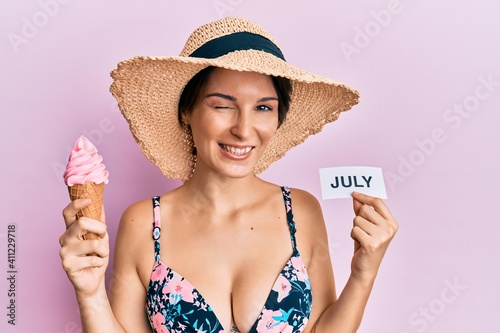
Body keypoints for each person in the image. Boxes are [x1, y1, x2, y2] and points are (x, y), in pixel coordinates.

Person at [59, 17, 398, 333]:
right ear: (187, 111)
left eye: (263, 107)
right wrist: (90, 295)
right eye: (222, 105)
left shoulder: (301, 210)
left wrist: (362, 273)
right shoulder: (143, 223)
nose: (244, 129)